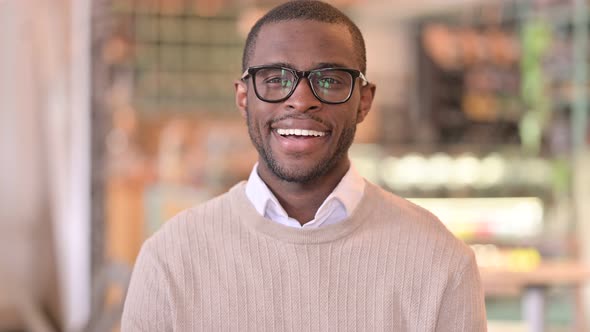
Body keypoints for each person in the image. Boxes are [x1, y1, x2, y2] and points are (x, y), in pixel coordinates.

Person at [121, 1, 487, 331]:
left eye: (328, 81)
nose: (300, 100)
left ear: (363, 101)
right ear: (244, 97)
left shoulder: (439, 261)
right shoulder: (171, 258)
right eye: (276, 79)